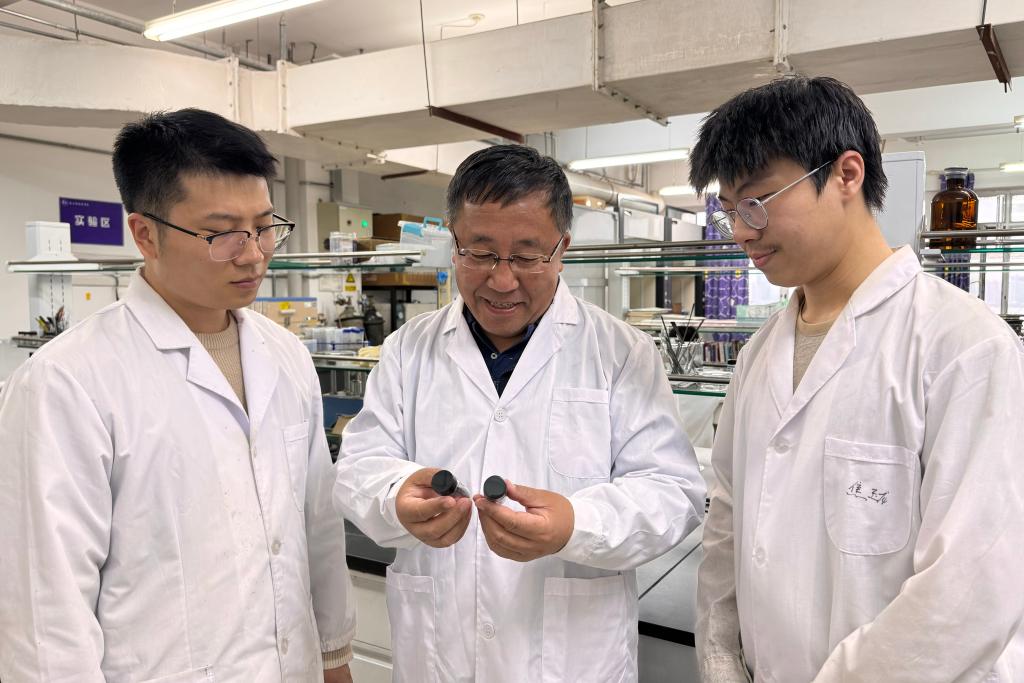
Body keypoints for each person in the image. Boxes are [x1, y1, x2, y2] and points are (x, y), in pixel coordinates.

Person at [0, 109, 356, 682]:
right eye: (222, 234)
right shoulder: (68, 381)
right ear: (146, 234)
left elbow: (316, 526)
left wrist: (334, 657)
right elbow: (46, 614)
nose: (253, 253)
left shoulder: (285, 356)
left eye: (265, 226)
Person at [691, 76, 1024, 682]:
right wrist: (720, 662)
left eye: (757, 201)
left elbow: (971, 588)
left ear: (846, 174)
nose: (740, 231)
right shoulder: (760, 353)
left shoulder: (963, 346)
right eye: (729, 209)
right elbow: (727, 528)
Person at [334, 144, 705, 682]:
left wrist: (576, 524)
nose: (502, 280)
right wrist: (395, 498)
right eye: (480, 253)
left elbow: (672, 492)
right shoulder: (407, 350)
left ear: (561, 249)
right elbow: (358, 469)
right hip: (441, 654)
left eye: (527, 257)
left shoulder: (620, 353)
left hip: (572, 660)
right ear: (454, 244)